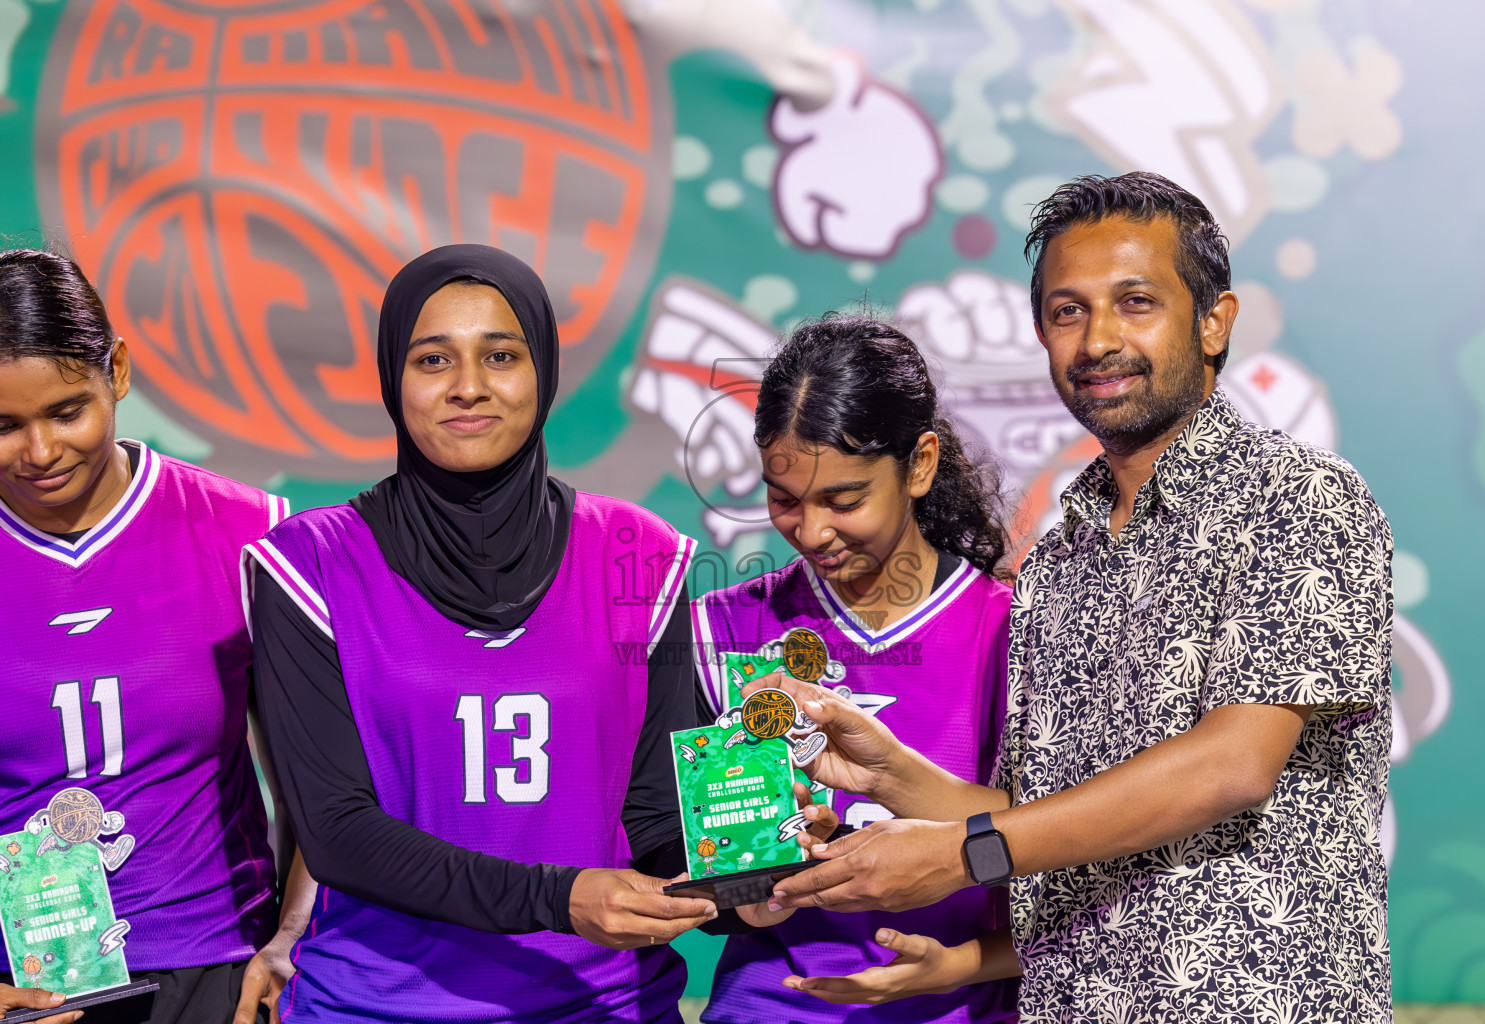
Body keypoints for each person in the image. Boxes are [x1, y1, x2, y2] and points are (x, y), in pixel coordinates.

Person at [754, 172, 1394, 1022]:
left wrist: (965, 855)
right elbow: (1041, 819)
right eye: (1067, 310)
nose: (1098, 339)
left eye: (1135, 302)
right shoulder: (1055, 565)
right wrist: (894, 772)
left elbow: (1231, 767)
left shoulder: (1299, 497)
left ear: (1214, 321)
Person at [246, 244, 719, 1023]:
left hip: (602, 1006)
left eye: (501, 355)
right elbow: (335, 832)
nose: (469, 387)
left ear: (546, 373)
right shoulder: (310, 564)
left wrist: (749, 879)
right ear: (392, 378)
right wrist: (561, 898)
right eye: (433, 360)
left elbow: (657, 817)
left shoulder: (643, 555)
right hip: (377, 1008)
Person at [0, 248, 316, 1024]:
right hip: (22, 993)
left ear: (119, 371)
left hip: (219, 973)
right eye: (3, 425)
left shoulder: (251, 534)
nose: (40, 453)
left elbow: (322, 792)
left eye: (66, 411)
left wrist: (292, 943)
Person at [688, 315, 1017, 1022]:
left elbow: (1080, 854)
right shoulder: (720, 629)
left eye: (844, 500)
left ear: (920, 464)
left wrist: (961, 966)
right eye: (784, 501)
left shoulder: (1014, 629)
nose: (811, 532)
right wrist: (753, 894)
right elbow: (693, 875)